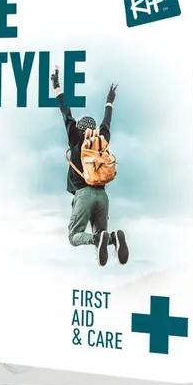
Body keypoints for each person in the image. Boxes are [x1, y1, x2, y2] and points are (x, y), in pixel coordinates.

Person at [51, 67, 129, 267]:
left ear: (78, 128)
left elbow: (65, 112)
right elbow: (106, 122)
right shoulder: (102, 140)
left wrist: (57, 85)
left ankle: (100, 239)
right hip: (102, 195)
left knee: (74, 236)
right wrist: (110, 100)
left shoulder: (75, 139)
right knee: (102, 236)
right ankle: (114, 238)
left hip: (83, 195)